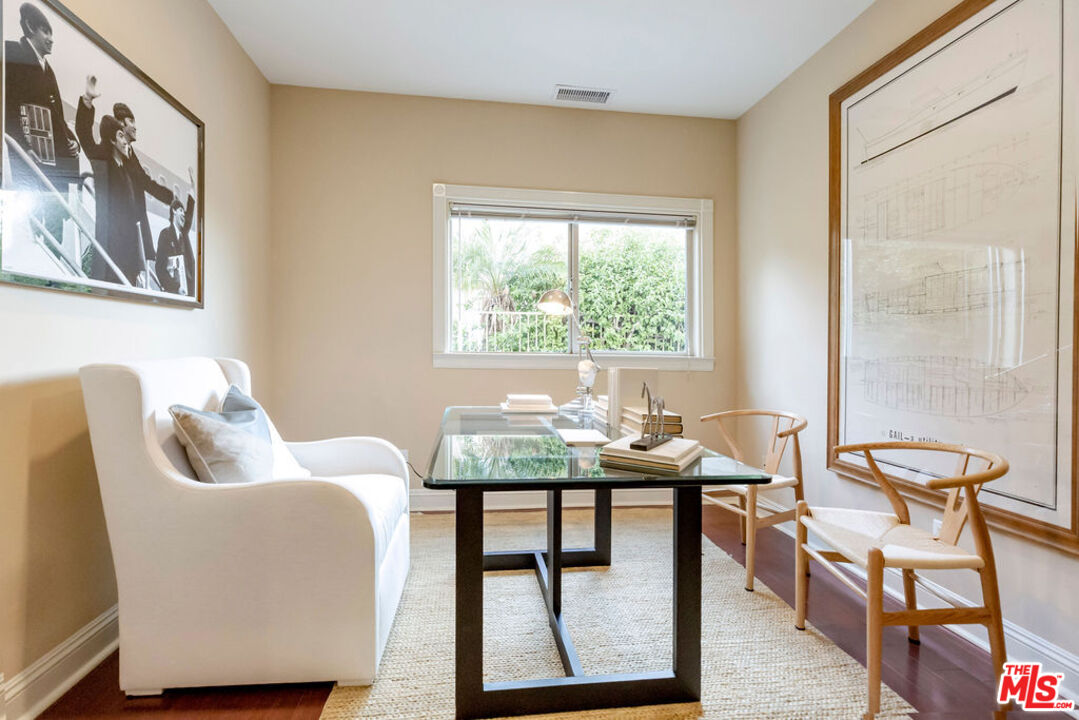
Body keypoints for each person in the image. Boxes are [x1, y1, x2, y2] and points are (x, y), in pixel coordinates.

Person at [78, 76, 175, 271]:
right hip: (114, 237)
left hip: (134, 234)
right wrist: (87, 101)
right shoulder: (105, 154)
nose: (135, 126)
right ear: (120, 126)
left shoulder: (131, 157)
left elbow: (145, 182)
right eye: (131, 121)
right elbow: (85, 136)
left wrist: (170, 198)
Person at [4, 2, 80, 248]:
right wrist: (22, 146)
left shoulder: (49, 70)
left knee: (56, 222)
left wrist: (72, 141)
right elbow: (9, 106)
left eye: (52, 33)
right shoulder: (13, 54)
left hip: (55, 158)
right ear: (29, 28)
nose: (51, 39)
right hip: (29, 155)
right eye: (45, 32)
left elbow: (56, 114)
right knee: (31, 224)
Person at [76, 112, 143, 285]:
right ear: (112, 140)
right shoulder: (103, 163)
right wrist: (87, 101)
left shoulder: (126, 169)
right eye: (121, 136)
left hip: (129, 254)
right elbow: (84, 134)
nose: (125, 140)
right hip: (112, 249)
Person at [155, 192, 195, 295]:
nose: (183, 214)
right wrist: (176, 288)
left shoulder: (184, 235)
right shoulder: (165, 234)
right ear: (174, 211)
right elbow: (160, 268)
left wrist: (192, 195)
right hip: (175, 292)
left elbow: (189, 218)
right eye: (181, 210)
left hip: (190, 292)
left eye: (184, 212)